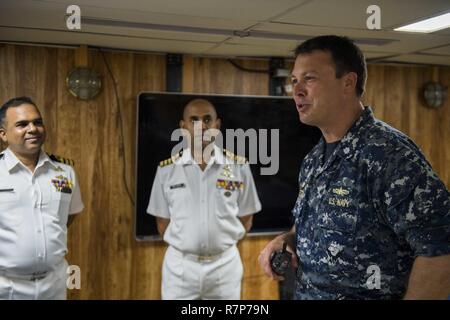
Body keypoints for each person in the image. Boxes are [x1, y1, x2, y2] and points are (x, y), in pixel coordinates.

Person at [258, 35, 450, 300]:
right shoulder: (314, 160)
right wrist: (285, 240)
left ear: (348, 82)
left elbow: (440, 249)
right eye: (294, 80)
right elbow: (313, 227)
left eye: (309, 79)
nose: (297, 90)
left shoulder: (389, 155)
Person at [147, 98, 262, 300]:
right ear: (183, 128)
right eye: (194, 120)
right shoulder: (166, 170)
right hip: (180, 269)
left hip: (224, 267)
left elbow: (247, 219)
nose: (202, 126)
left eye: (207, 119)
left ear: (217, 126)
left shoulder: (238, 167)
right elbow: (162, 223)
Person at [0, 97, 84, 299]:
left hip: (53, 284)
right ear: (3, 134)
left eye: (37, 122)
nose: (33, 129)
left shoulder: (64, 171)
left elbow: (67, 218)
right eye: (22, 124)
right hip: (7, 286)